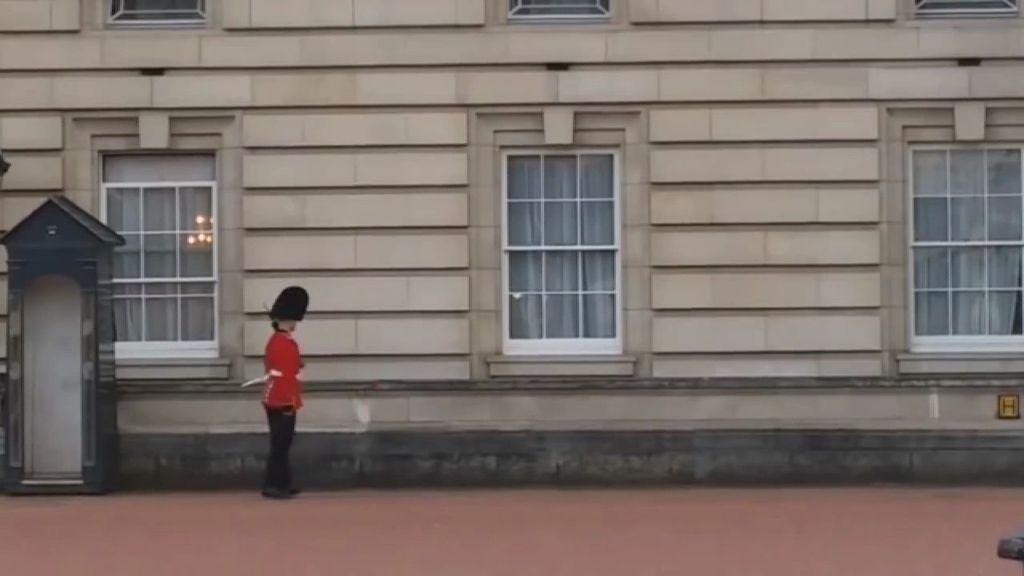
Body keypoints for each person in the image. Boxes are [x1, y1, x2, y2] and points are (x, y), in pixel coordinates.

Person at [261, 286, 308, 500]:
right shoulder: (282, 342)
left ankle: (283, 482)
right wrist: (289, 403)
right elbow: (285, 375)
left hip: (278, 397)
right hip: (281, 399)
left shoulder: (280, 341)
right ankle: (273, 485)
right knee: (280, 444)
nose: (296, 323)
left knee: (282, 443)